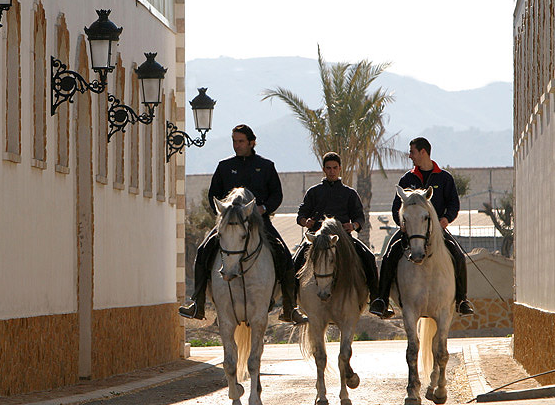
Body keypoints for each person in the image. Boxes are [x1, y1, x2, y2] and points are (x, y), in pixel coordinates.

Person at [179, 124, 308, 324]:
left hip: (260, 223)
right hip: (230, 224)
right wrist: (224, 215)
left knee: (284, 255)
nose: (236, 145)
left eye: (240, 141)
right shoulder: (224, 166)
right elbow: (213, 195)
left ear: (251, 142)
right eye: (234, 141)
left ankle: (290, 308)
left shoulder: (266, 166)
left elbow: (277, 195)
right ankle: (197, 303)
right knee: (203, 251)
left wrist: (263, 209)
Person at [369, 137, 475, 318]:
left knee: (458, 255)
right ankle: (382, 300)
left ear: (423, 152)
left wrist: (446, 219)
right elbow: (397, 207)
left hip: (436, 231)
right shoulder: (407, 178)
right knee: (389, 255)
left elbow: (453, 204)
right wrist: (400, 223)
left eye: (413, 152)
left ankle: (461, 300)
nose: (410, 156)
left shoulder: (444, 178)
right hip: (409, 231)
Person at [292, 152, 389, 315]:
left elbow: (360, 217)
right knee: (295, 260)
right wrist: (305, 221)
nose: (332, 171)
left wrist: (354, 225)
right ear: (323, 169)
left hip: (343, 238)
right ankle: (291, 305)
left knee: (369, 257)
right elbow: (301, 214)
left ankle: (376, 300)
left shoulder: (349, 193)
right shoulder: (313, 192)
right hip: (317, 239)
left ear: (340, 169)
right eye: (328, 168)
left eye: (335, 168)